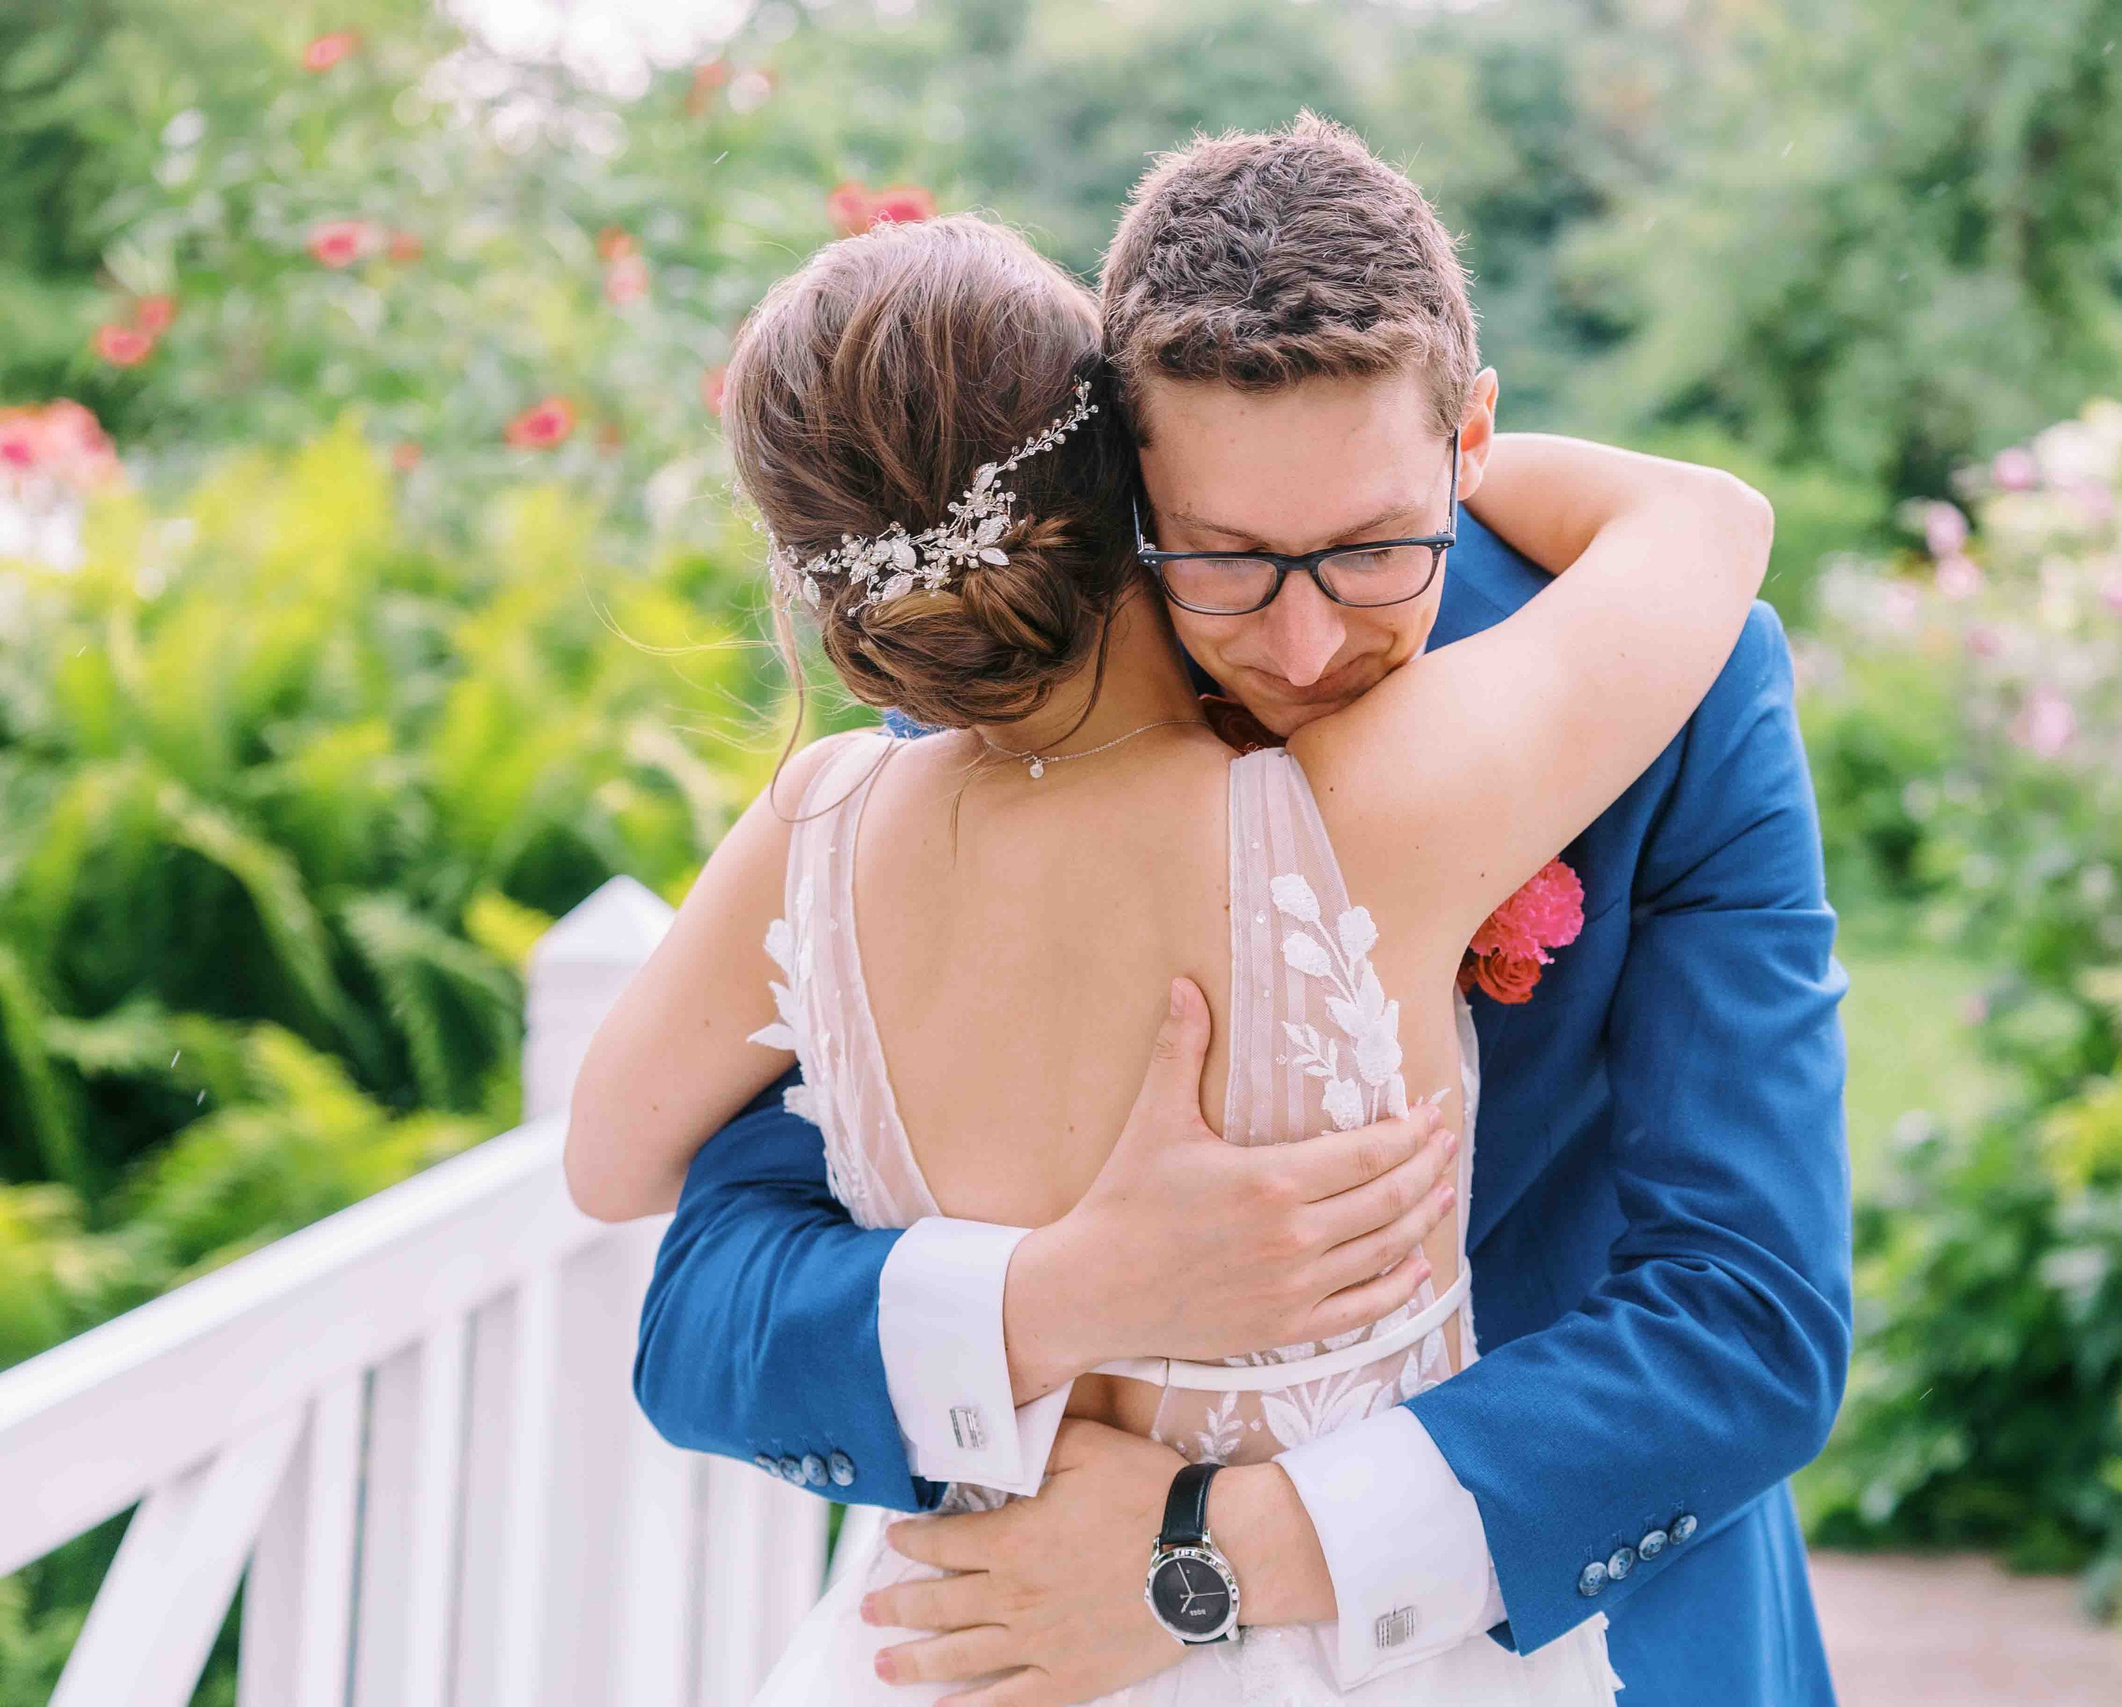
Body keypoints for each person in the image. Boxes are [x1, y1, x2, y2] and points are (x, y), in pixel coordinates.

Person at [590, 118, 1850, 1707]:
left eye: (1376, 550)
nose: (1311, 644)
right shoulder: (971, 732)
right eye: (1230, 562)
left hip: (1600, 1634)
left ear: (1467, 443)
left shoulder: (1677, 686)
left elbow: (1750, 1320)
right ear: (1124, 483)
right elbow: (711, 1313)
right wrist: (1060, 1295)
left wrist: (1214, 1553)